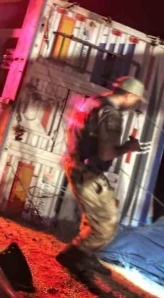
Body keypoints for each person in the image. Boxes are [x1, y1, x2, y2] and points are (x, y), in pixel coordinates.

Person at [56, 76, 150, 276]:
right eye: (136, 100)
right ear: (129, 95)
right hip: (87, 173)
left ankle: (87, 255)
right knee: (107, 225)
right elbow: (106, 154)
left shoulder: (93, 101)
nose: (135, 104)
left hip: (78, 165)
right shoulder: (111, 114)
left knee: (94, 219)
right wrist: (129, 146)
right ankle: (71, 256)